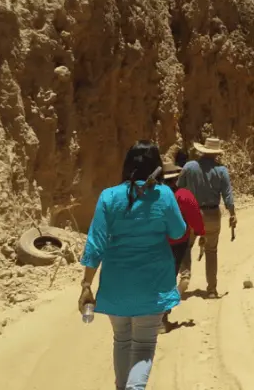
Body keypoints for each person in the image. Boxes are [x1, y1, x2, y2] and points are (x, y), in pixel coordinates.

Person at [78, 141, 187, 390]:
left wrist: (86, 285)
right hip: (153, 286)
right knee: (144, 347)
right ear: (157, 167)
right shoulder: (164, 195)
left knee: (122, 341)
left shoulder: (109, 197)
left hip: (117, 286)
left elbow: (95, 243)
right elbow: (179, 231)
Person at [177, 137, 237, 298]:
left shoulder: (189, 167)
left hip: (191, 213)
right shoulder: (221, 170)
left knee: (186, 246)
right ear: (216, 153)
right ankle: (211, 289)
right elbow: (228, 196)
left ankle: (185, 275)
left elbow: (178, 187)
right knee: (211, 251)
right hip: (212, 215)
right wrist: (232, 214)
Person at [160, 162, 206, 332]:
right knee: (172, 279)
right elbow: (195, 216)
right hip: (178, 243)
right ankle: (162, 318)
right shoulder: (183, 195)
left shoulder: (152, 196)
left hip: (155, 243)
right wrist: (201, 232)